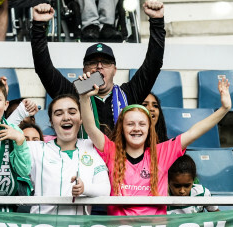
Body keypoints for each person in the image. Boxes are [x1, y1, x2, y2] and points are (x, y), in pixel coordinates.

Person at [80, 75, 231, 216]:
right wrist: (84, 97)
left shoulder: (162, 153)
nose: (136, 128)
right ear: (121, 128)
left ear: (149, 128)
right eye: (130, 124)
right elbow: (90, 128)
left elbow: (194, 132)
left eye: (142, 124)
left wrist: (224, 109)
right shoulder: (111, 151)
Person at [31, 1, 165, 135]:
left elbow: (153, 63)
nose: (99, 66)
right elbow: (43, 67)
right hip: (84, 155)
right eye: (92, 63)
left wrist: (157, 21)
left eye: (106, 62)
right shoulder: (72, 93)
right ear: (84, 70)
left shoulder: (129, 94)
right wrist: (38, 25)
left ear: (115, 70)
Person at [27, 94, 110, 215]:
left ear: (81, 118)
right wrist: (20, 112)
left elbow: (105, 190)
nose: (66, 117)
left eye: (72, 112)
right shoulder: (36, 148)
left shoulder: (91, 146)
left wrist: (84, 188)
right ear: (51, 121)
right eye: (59, 113)